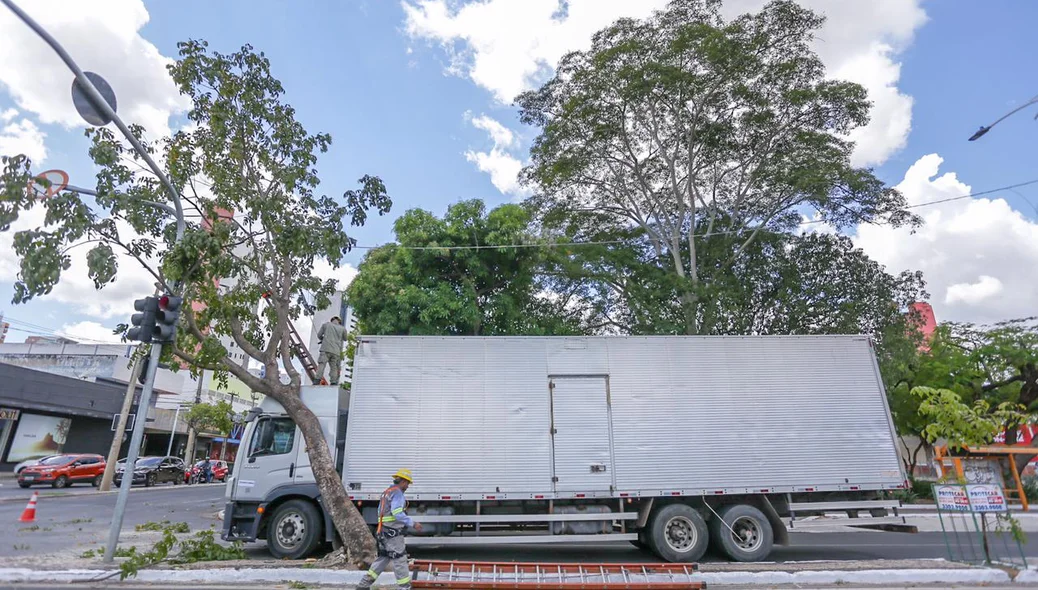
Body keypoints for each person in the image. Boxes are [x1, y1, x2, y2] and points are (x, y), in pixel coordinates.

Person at [358, 469, 422, 590]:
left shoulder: (387, 492)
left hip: (382, 532)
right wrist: (413, 524)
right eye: (407, 483)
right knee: (400, 558)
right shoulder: (397, 493)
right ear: (402, 481)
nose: (408, 486)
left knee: (383, 558)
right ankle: (404, 587)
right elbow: (397, 513)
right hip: (393, 533)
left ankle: (363, 585)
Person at [314, 316, 347, 385]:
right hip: (336, 351)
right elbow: (345, 338)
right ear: (339, 322)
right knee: (334, 367)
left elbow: (319, 335)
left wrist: (323, 339)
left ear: (332, 320)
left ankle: (317, 380)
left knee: (322, 364)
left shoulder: (326, 325)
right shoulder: (343, 328)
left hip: (325, 349)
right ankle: (333, 382)